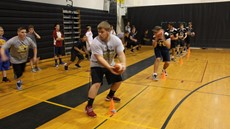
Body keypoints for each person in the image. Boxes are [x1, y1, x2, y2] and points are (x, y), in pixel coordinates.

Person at [85, 21, 126, 117]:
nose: (99, 34)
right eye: (98, 32)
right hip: (96, 65)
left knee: (118, 80)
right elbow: (99, 59)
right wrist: (110, 68)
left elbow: (120, 53)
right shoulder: (95, 42)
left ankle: (110, 96)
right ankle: (89, 106)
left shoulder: (116, 40)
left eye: (102, 32)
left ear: (109, 31)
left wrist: (124, 64)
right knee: (96, 84)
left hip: (110, 63)